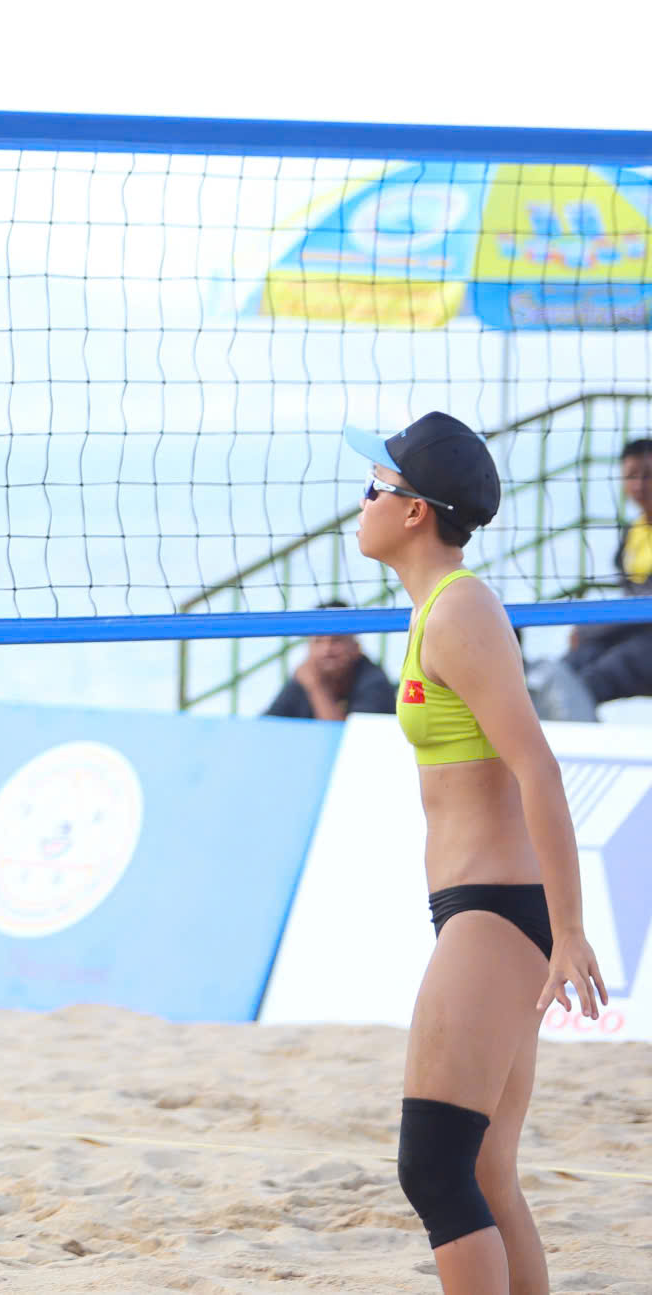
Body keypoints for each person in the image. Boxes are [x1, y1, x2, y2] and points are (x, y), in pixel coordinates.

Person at [344, 413, 605, 1294]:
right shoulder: (434, 612)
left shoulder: (461, 612)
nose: (363, 497)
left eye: (376, 484)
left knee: (435, 1169)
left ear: (417, 510)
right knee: (487, 1170)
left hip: (496, 908)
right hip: (481, 907)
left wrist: (567, 928)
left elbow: (537, 765)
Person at [525, 435, 652, 722]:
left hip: (644, 637)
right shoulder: (633, 532)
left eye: (648, 475)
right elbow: (634, 603)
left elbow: (641, 605)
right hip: (635, 630)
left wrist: (589, 629)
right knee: (566, 668)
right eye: (631, 476)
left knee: (594, 677)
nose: (639, 485)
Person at [261, 598, 399, 721]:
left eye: (336, 640)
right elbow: (267, 727)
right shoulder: (304, 676)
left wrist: (316, 687)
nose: (327, 649)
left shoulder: (374, 681)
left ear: (356, 647)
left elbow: (350, 742)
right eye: (318, 641)